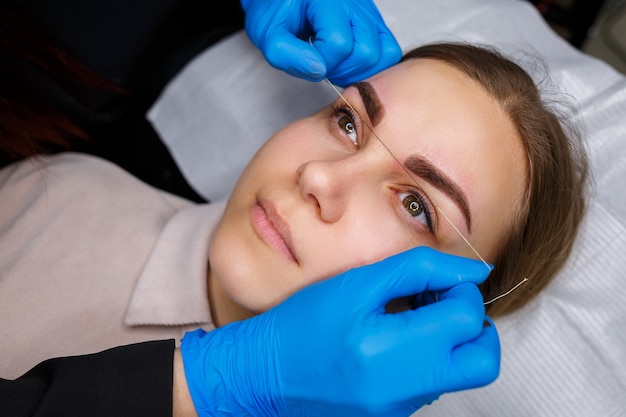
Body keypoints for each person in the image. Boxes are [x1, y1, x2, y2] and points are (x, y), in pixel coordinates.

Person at [0, 39, 588, 416]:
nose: (318, 178)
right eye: (348, 121)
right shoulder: (58, 195)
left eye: (415, 205)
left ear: (438, 309)